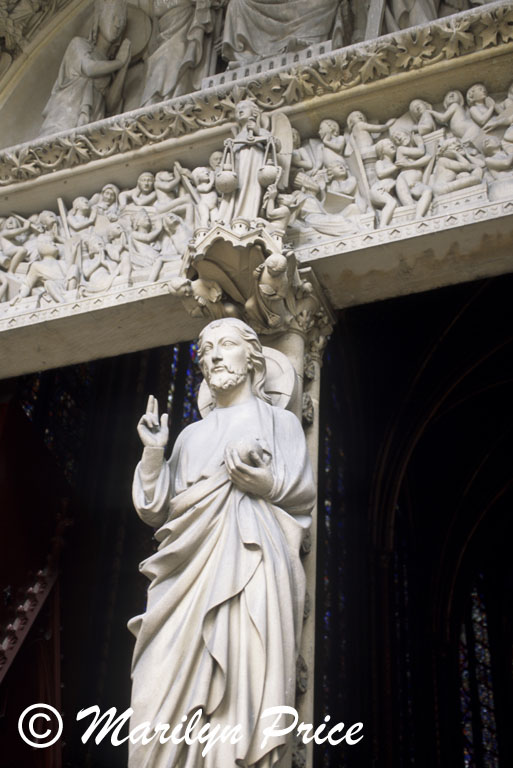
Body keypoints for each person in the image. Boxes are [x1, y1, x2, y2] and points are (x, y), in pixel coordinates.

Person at [129, 317, 315, 768]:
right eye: (206, 348)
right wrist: (155, 454)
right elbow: (156, 507)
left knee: (245, 686)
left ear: (252, 358)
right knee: (154, 691)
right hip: (184, 579)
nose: (213, 355)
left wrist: (263, 482)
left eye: (226, 345)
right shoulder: (191, 436)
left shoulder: (281, 422)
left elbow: (301, 490)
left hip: (253, 566)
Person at [40, 0, 131, 135]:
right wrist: (118, 62)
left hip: (91, 127)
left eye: (122, 21)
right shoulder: (78, 45)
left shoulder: (109, 69)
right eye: (114, 17)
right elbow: (89, 69)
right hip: (63, 121)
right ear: (100, 18)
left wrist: (124, 67)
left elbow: (111, 105)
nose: (118, 24)